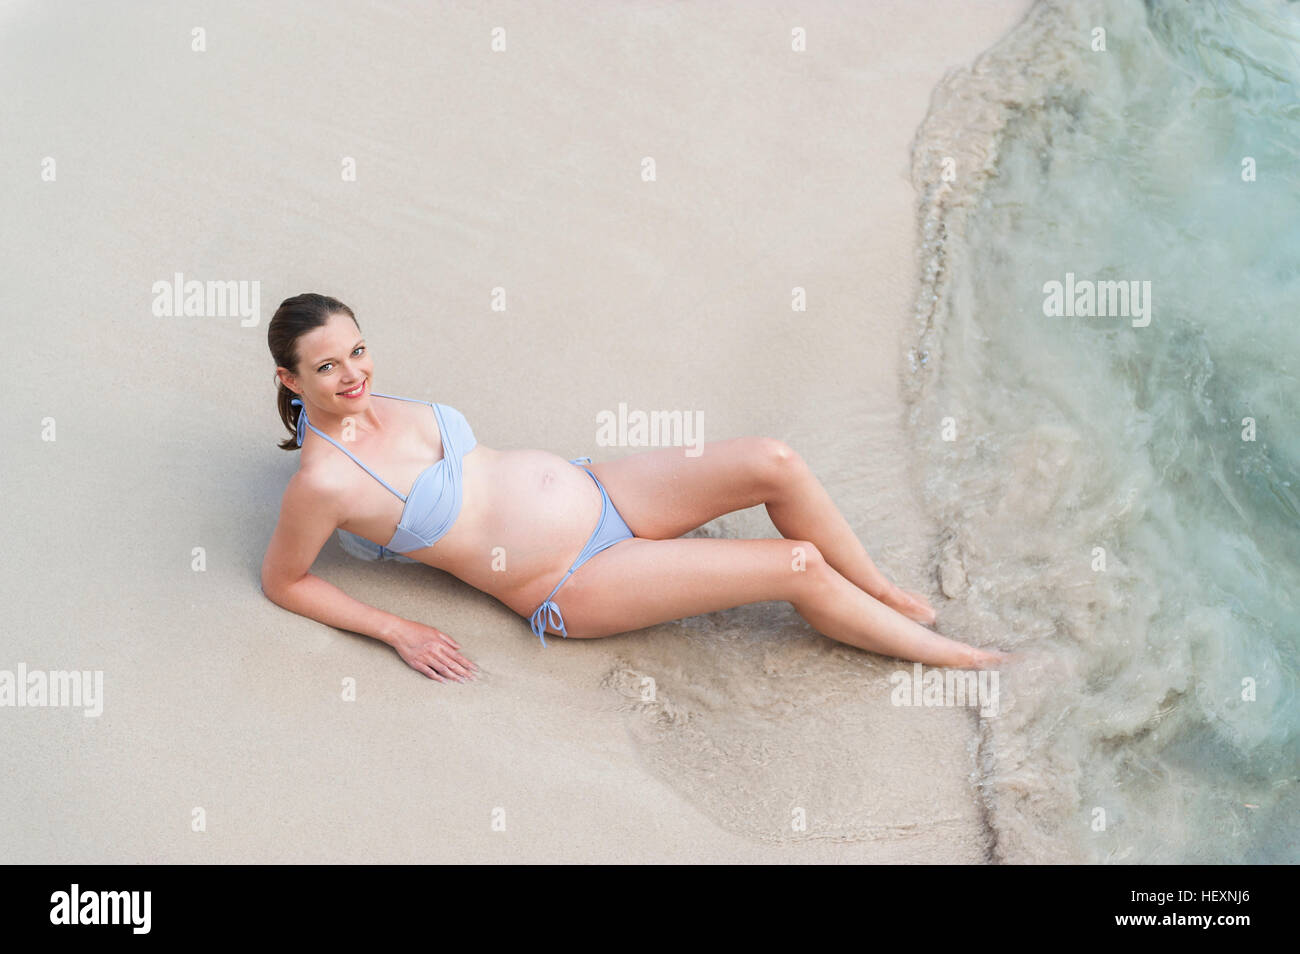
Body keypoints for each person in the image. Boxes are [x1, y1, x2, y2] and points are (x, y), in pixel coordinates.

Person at [260, 293, 1009, 683]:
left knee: (774, 460)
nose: (354, 374)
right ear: (291, 378)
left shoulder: (380, 400)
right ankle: (961, 662)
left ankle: (881, 590)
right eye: (327, 368)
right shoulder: (322, 482)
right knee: (795, 566)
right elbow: (284, 581)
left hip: (606, 492)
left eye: (358, 351)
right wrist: (400, 630)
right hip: (573, 580)